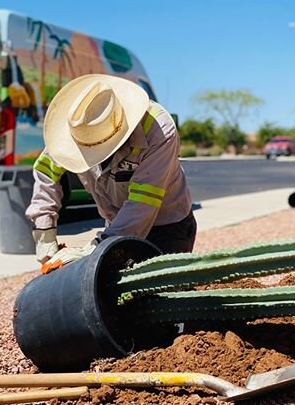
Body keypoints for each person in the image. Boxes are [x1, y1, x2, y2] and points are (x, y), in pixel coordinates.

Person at [26, 73, 196, 265]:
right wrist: (44, 233)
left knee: (156, 292)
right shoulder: (75, 127)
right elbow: (46, 170)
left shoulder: (158, 131)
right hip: (116, 223)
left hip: (167, 227)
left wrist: (97, 248)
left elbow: (142, 204)